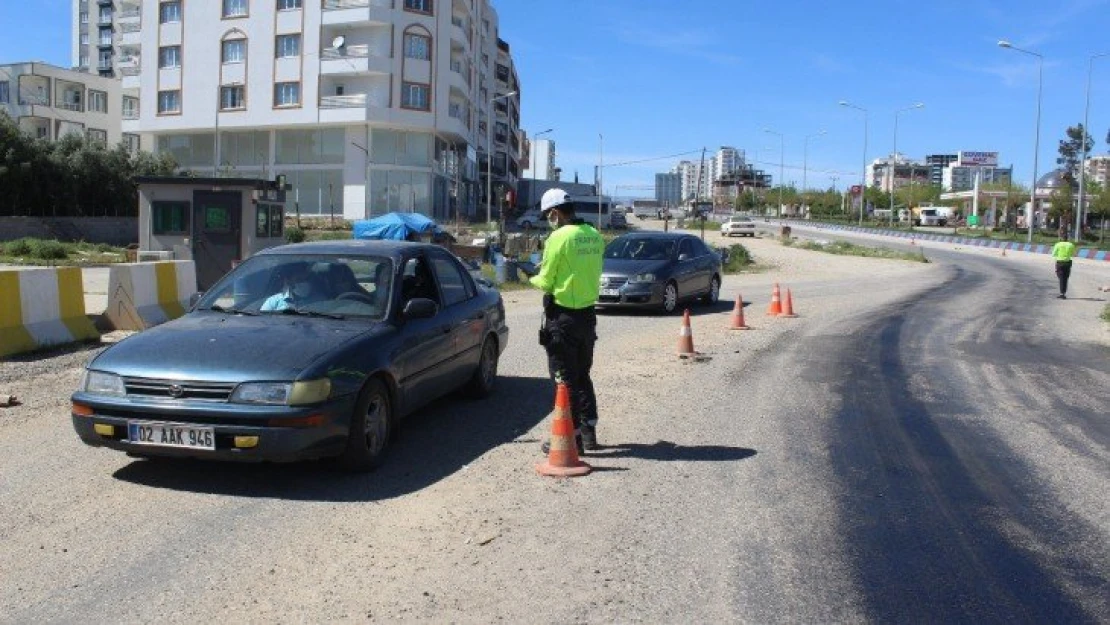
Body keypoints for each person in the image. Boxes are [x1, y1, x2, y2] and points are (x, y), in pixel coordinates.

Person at [530, 188, 605, 453]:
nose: (548, 220)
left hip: (563, 317)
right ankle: (588, 433)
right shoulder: (594, 235)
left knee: (564, 379)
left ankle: (569, 441)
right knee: (583, 375)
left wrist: (531, 276)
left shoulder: (558, 237)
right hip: (587, 315)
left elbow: (547, 279)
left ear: (554, 213)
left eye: (547, 215)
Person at [260, 262, 325, 311]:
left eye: (306, 279)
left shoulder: (320, 301)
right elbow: (261, 322)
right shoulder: (273, 302)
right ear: (288, 281)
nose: (304, 283)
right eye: (299, 280)